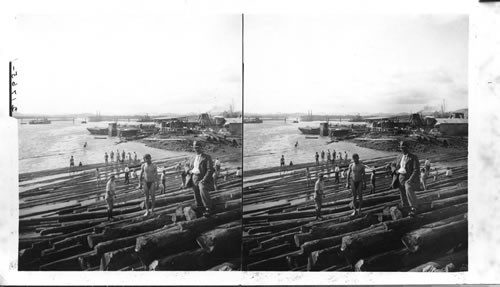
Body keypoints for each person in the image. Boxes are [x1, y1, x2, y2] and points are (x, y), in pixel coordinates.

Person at [392, 141, 420, 217]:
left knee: (408, 189)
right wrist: (395, 170)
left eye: (404, 148)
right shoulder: (399, 157)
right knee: (402, 194)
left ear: (408, 148)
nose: (402, 149)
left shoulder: (413, 157)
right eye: (401, 148)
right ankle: (405, 209)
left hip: (409, 178)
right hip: (400, 177)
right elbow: (393, 164)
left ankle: (414, 208)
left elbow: (416, 170)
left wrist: (410, 179)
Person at [189, 141, 215, 217]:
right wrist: (188, 170)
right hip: (194, 176)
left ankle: (208, 208)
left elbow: (210, 169)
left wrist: (204, 179)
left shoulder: (207, 157)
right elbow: (186, 165)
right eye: (195, 147)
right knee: (196, 192)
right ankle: (199, 207)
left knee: (203, 189)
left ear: (201, 147)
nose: (196, 149)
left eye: (198, 147)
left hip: (203, 177)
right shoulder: (192, 157)